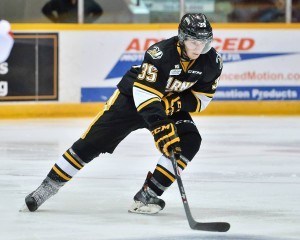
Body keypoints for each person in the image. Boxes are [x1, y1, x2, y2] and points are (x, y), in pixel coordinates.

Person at [24, 13, 223, 214]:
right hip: (131, 99)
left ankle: (148, 195)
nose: (199, 48)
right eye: (194, 42)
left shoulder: (212, 62)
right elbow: (146, 96)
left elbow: (202, 98)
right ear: (182, 38)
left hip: (165, 104)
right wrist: (160, 126)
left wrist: (176, 102)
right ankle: (46, 188)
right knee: (91, 143)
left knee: (190, 140)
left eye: (204, 43)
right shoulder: (160, 54)